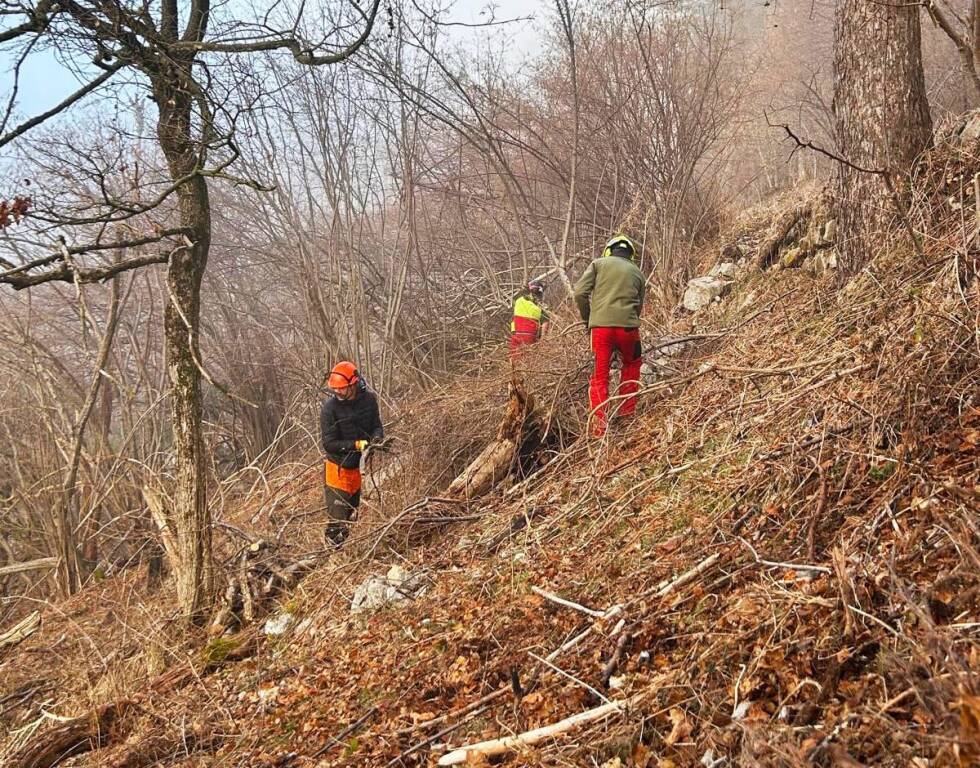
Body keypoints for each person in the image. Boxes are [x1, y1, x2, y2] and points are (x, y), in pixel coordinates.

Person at [574, 234, 645, 436]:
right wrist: (628, 319)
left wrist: (589, 320)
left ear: (609, 250)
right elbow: (639, 305)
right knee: (632, 365)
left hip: (600, 330)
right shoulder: (638, 272)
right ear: (631, 254)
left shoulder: (598, 264)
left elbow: (579, 292)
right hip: (629, 329)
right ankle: (627, 416)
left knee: (599, 377)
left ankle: (599, 429)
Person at [320, 361, 384, 546]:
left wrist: (377, 438)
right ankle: (332, 557)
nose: (337, 392)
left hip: (356, 469)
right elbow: (329, 443)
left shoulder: (369, 400)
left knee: (351, 517)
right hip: (337, 470)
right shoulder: (329, 409)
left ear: (353, 384)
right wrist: (356, 445)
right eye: (335, 389)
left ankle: (345, 553)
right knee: (337, 521)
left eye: (342, 388)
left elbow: (376, 426)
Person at [510, 279, 550, 356]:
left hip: (516, 335)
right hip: (529, 337)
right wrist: (543, 341)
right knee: (528, 361)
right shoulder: (540, 306)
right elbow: (545, 323)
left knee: (515, 360)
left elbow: (513, 319)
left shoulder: (518, 301)